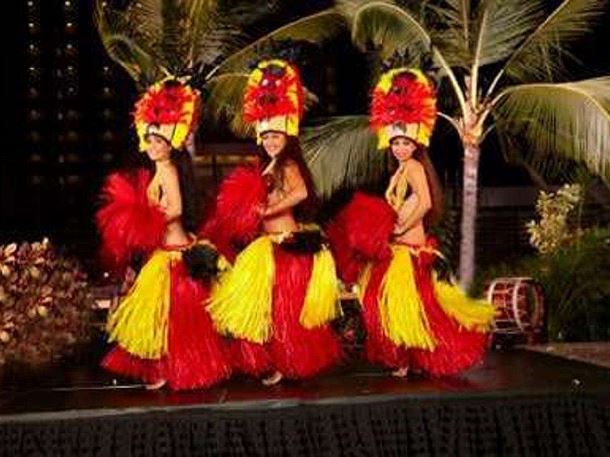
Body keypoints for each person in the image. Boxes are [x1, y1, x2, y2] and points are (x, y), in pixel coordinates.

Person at [328, 68, 494, 377]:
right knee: (399, 309)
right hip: (398, 251)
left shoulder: (415, 167)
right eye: (396, 143)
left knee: (413, 310)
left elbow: (426, 202)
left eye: (405, 142)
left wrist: (401, 228)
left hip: (412, 252)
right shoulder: (400, 170)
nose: (400, 148)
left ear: (416, 143)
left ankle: (418, 358)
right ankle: (407, 360)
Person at [201, 59, 342, 385]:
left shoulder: (287, 164)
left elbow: (301, 192)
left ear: (286, 136)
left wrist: (267, 210)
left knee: (283, 310)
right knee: (266, 309)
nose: (271, 142)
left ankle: (288, 363)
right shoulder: (266, 165)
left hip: (286, 244)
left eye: (276, 136)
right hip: (266, 247)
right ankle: (278, 362)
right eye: (266, 137)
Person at [97, 79, 231, 390]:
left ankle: (178, 369)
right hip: (163, 249)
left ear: (170, 144)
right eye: (150, 139)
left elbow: (177, 209)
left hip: (175, 250)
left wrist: (149, 220)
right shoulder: (158, 170)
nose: (153, 146)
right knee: (160, 315)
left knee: (176, 318)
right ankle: (162, 368)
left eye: (159, 141)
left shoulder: (168, 170)